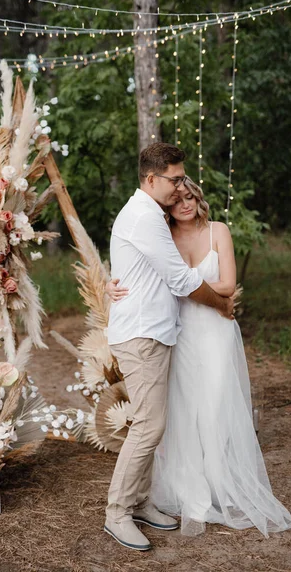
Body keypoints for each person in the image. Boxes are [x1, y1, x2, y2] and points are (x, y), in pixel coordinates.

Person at [107, 169, 291, 540]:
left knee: (211, 408)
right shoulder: (160, 230)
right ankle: (152, 501)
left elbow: (227, 283)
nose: (183, 204)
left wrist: (213, 299)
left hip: (211, 333)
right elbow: (146, 273)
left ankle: (214, 485)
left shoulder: (217, 231)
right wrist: (107, 287)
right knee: (176, 416)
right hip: (177, 332)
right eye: (176, 200)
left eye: (188, 197)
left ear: (198, 198)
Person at [104, 142, 235, 551]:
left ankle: (141, 502)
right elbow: (180, 280)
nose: (180, 187)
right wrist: (223, 304)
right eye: (175, 179)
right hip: (141, 334)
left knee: (153, 424)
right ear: (151, 179)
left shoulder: (150, 215)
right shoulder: (143, 218)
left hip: (156, 331)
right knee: (148, 426)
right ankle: (117, 513)